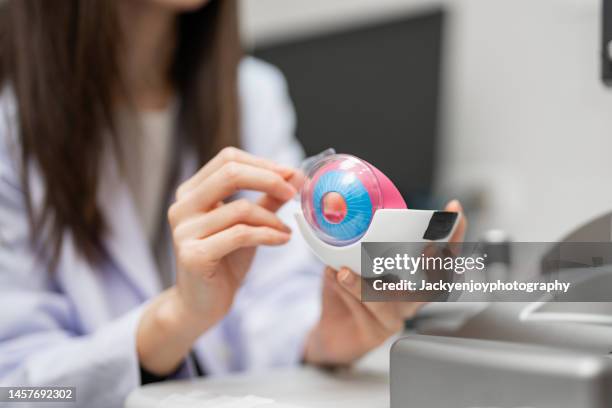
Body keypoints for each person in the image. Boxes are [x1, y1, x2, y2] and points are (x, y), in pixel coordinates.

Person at [0, 0, 466, 406]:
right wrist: (172, 323)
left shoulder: (251, 94)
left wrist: (322, 339)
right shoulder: (9, 119)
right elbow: (16, 391)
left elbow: (277, 301)